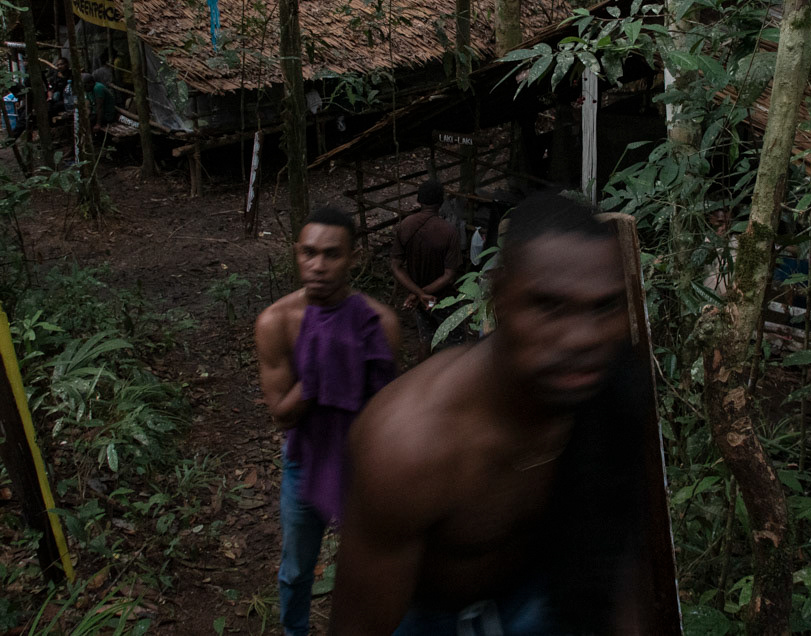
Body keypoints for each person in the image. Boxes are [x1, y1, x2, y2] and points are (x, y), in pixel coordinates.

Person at [330, 193, 650, 636]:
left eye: (603, 307)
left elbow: (618, 554)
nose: (581, 338)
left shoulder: (609, 390)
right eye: (550, 306)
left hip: (549, 593)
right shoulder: (409, 446)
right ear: (501, 299)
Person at [254, 207, 403, 636]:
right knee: (297, 568)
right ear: (297, 254)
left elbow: (388, 408)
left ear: (353, 257)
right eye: (309, 253)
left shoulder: (380, 323)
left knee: (370, 565)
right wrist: (324, 364)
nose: (318, 266)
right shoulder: (275, 322)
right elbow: (281, 414)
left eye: (332, 255)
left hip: (364, 463)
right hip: (305, 458)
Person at [390, 179, 466, 356]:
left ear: (419, 200)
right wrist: (423, 294)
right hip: (443, 299)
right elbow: (449, 275)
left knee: (426, 339)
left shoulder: (405, 225)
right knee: (457, 344)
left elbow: (395, 266)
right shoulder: (449, 232)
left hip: (421, 300)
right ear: (441, 203)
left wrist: (417, 294)